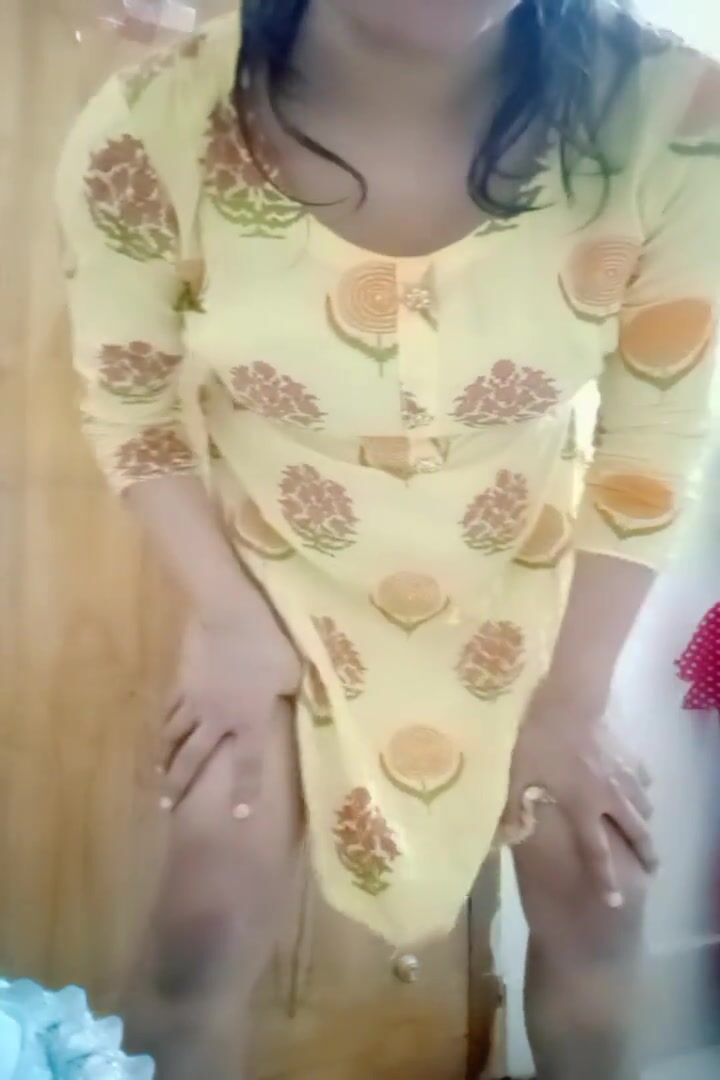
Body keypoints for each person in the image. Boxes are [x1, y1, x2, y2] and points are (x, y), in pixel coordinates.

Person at [54, 1, 720, 1077]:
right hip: (281, 586)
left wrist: (574, 700)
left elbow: (656, 435)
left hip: (523, 593)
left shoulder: (673, 114)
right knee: (201, 921)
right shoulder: (149, 129)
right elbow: (131, 412)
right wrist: (227, 622)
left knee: (598, 898)